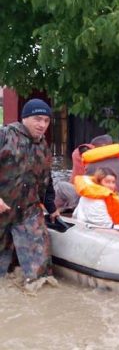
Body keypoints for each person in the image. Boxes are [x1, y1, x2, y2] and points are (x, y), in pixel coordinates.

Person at [0, 98, 60, 283]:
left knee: (40, 273)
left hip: (29, 212)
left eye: (47, 121)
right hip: (2, 210)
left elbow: (47, 180)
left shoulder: (43, 147)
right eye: (38, 119)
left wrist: (52, 207)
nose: (42, 125)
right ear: (25, 118)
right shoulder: (5, 136)